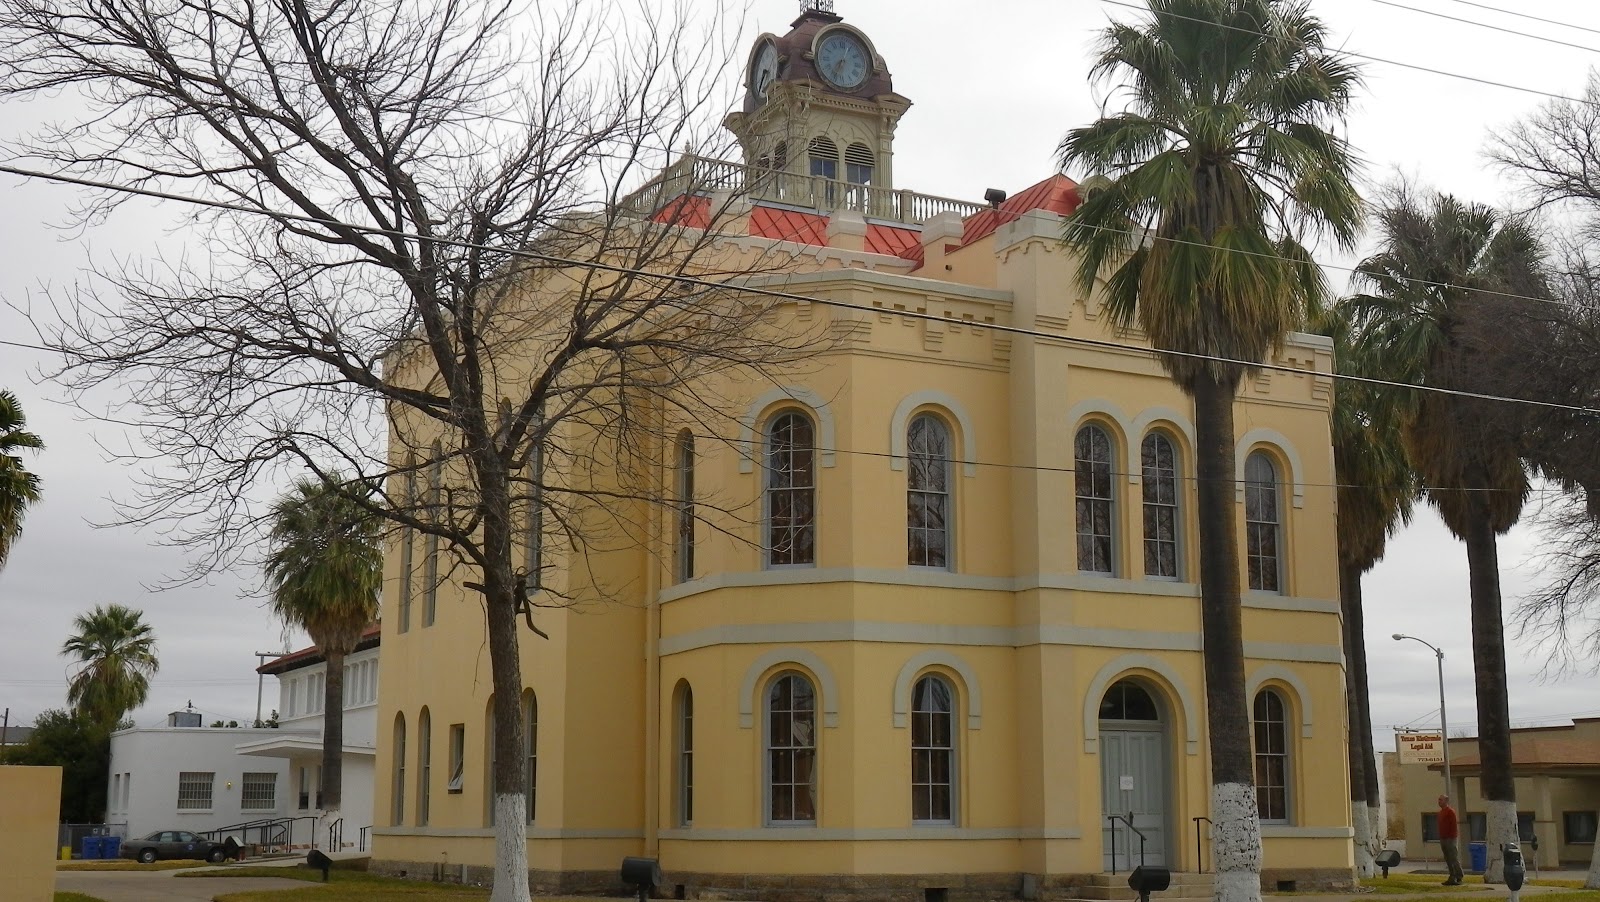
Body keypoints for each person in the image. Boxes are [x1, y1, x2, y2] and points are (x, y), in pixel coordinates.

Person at [1438, 794, 1464, 885]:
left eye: (1441, 800)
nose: (1439, 801)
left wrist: (1451, 837)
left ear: (1446, 801)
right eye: (1439, 800)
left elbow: (1453, 826)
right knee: (1447, 858)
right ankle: (1452, 876)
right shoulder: (1441, 813)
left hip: (1451, 838)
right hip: (1443, 838)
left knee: (1453, 857)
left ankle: (1459, 876)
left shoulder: (1450, 812)